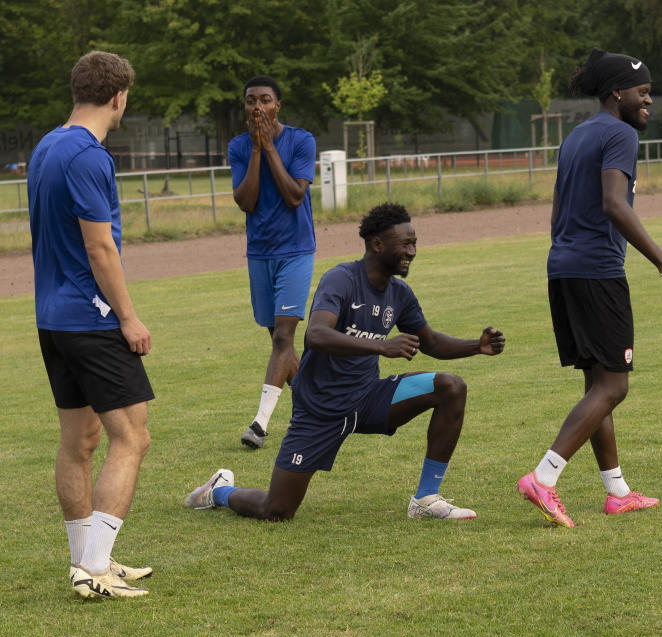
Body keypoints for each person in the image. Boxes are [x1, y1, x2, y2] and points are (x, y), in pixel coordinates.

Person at [183, 202, 505, 521]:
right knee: (276, 510)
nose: (413, 251)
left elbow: (431, 341)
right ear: (377, 244)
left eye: (414, 243)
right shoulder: (341, 279)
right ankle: (219, 490)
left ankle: (425, 499)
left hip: (368, 399)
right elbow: (317, 335)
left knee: (450, 386)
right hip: (320, 410)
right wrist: (381, 346)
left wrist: (476, 346)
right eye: (405, 244)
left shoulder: (400, 294)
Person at [517, 49, 662, 528]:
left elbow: (556, 215)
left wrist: (571, 254)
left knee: (597, 383)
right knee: (614, 385)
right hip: (597, 271)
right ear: (617, 92)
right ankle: (544, 477)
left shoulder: (576, 136)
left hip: (564, 266)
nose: (649, 101)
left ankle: (617, 492)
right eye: (642, 92)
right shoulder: (619, 134)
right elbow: (616, 204)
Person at [28, 50, 154, 598]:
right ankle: (94, 567)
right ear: (118, 95)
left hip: (53, 318)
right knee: (133, 436)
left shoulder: (47, 146)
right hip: (92, 317)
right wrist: (128, 317)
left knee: (80, 439)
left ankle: (88, 559)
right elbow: (100, 248)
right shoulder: (87, 154)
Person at [228, 75, 317, 450]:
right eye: (251, 101)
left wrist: (271, 149)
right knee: (280, 343)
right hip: (259, 253)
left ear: (277, 105)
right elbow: (246, 201)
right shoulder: (237, 146)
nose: (257, 107)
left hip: (296, 251)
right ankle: (318, 406)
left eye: (265, 100)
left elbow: (295, 195)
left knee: (284, 337)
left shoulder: (301, 140)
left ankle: (259, 426)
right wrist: (255, 150)